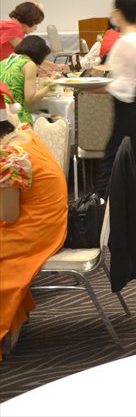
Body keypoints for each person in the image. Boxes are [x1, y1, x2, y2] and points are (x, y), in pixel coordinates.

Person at [0, 83, 68, 360]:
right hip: (50, 216)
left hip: (37, 227)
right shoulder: (23, 135)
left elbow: (8, 215)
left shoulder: (10, 157)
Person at [93, 0, 136, 202]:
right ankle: (125, 200)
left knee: (116, 152)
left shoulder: (128, 41)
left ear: (120, 12)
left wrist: (91, 87)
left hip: (131, 101)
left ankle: (102, 201)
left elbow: (125, 82)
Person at [0, 36, 52, 124]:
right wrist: (51, 85)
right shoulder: (29, 64)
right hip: (13, 114)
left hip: (2, 110)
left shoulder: (4, 62)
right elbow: (31, 98)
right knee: (47, 119)